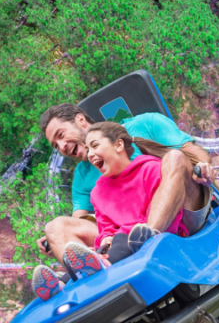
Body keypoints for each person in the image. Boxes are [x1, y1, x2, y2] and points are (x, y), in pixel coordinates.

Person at [33, 121, 201, 300]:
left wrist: (134, 232)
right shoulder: (98, 192)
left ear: (118, 145)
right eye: (88, 150)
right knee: (108, 247)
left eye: (95, 146)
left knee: (122, 240)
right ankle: (61, 284)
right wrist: (105, 238)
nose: (90, 154)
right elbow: (105, 226)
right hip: (120, 245)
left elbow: (166, 208)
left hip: (150, 236)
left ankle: (96, 267)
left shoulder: (149, 170)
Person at [35, 104, 215, 264]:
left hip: (181, 214)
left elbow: (194, 154)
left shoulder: (145, 125)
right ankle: (83, 271)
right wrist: (57, 240)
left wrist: (202, 168)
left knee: (175, 158)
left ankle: (148, 238)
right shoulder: (83, 177)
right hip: (127, 231)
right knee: (55, 228)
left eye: (61, 135)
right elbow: (81, 222)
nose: (62, 146)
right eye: (56, 146)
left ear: (80, 120)